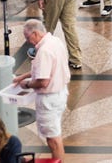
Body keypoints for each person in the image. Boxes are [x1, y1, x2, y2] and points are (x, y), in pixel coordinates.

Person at [13, 19, 71, 160]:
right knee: (55, 134)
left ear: (35, 33)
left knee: (53, 139)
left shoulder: (44, 51)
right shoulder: (56, 41)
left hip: (49, 100)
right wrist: (22, 77)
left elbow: (43, 81)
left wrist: (26, 84)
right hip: (60, 93)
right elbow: (45, 69)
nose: (28, 41)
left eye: (28, 38)